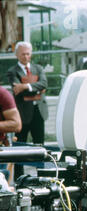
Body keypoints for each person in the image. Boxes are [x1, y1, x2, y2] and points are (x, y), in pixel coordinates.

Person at [7, 42, 48, 181]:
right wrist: (36, 89)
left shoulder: (38, 68)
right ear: (17, 55)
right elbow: (17, 91)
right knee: (20, 148)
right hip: (22, 114)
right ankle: (20, 179)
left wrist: (25, 86)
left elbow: (44, 84)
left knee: (40, 146)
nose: (26, 56)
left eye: (28, 53)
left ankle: (43, 177)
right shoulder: (12, 71)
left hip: (38, 112)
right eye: (23, 54)